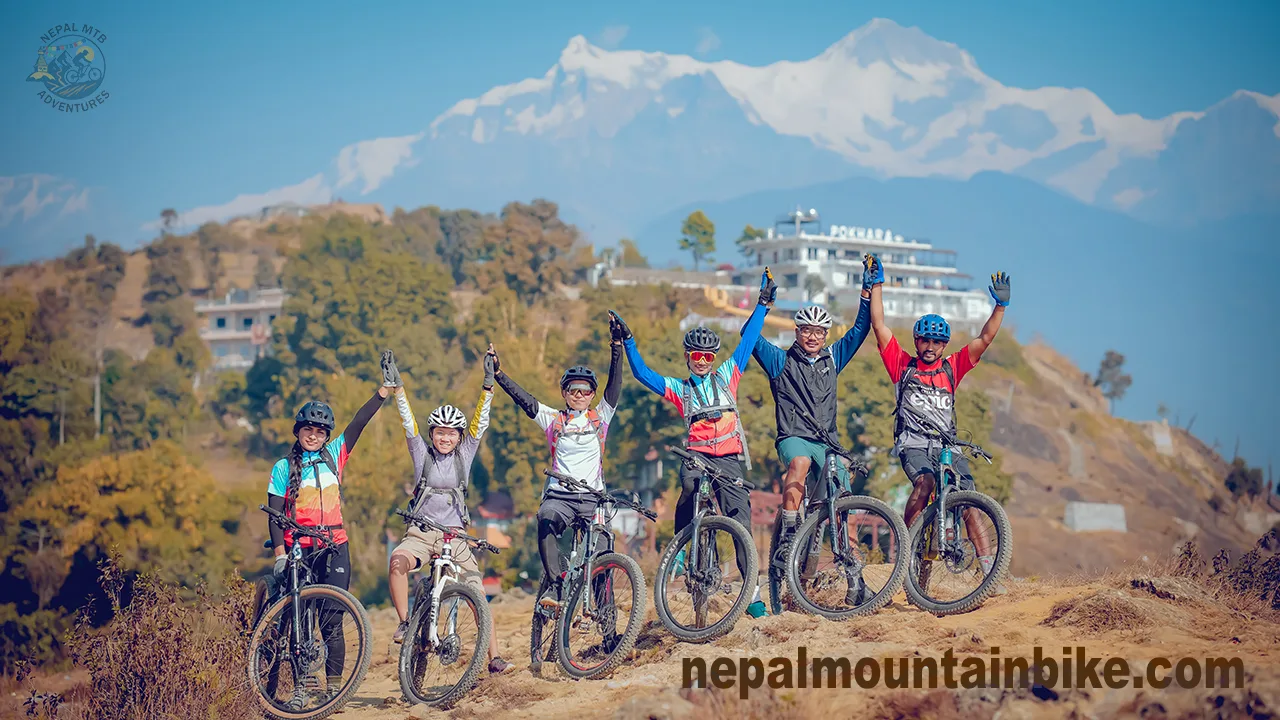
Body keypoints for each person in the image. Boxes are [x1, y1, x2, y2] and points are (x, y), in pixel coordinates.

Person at [613, 268, 777, 618]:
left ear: (713, 359)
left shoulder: (728, 375)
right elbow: (643, 374)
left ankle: (753, 596)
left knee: (741, 522)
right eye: (696, 356)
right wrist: (628, 341)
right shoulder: (680, 388)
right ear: (687, 357)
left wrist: (763, 302)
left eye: (707, 357)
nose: (702, 361)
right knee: (688, 486)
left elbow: (747, 340)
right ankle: (686, 547)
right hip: (698, 457)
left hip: (729, 458)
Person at [741, 256, 879, 602]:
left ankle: (856, 582)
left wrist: (867, 289)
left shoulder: (833, 358)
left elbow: (861, 330)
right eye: (807, 330)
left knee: (843, 509)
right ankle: (789, 530)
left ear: (825, 334)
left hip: (829, 444)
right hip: (793, 438)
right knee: (799, 464)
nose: (813, 336)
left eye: (819, 332)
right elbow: (748, 337)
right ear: (797, 332)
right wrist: (763, 304)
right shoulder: (780, 360)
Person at [867, 258, 1010, 580]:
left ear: (944, 345)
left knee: (970, 501)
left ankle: (990, 573)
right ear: (917, 341)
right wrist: (876, 285)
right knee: (925, 483)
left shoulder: (952, 367)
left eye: (937, 342)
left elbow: (984, 340)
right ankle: (906, 550)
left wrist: (999, 307)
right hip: (913, 444)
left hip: (947, 446)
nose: (930, 347)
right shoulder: (902, 366)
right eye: (925, 340)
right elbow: (879, 325)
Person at [266, 361, 389, 705]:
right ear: (298, 430)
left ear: (326, 436)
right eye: (308, 429)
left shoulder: (335, 456)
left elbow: (358, 424)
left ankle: (333, 690)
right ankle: (302, 688)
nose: (314, 435)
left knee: (331, 621)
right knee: (302, 618)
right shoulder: (282, 467)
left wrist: (383, 393)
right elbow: (275, 515)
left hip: (335, 547)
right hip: (298, 549)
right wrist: (279, 556)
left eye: (320, 431)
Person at [383, 350, 513, 675]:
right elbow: (407, 422)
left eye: (452, 433)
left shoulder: (465, 454)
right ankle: (403, 623)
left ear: (458, 438)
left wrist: (488, 386)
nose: (445, 437)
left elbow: (480, 423)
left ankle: (494, 657)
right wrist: (399, 389)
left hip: (456, 536)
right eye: (440, 432)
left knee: (478, 594)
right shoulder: (420, 454)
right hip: (421, 533)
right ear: (432, 435)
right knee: (397, 562)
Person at [489, 318, 623, 609]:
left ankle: (607, 624)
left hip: (593, 500)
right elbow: (525, 401)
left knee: (602, 558)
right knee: (545, 518)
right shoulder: (554, 419)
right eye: (573, 390)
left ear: (592, 395)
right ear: (564, 393)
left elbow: (615, 385)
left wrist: (616, 346)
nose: (579, 395)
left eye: (586, 391)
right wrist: (499, 374)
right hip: (559, 497)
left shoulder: (601, 417)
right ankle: (555, 585)